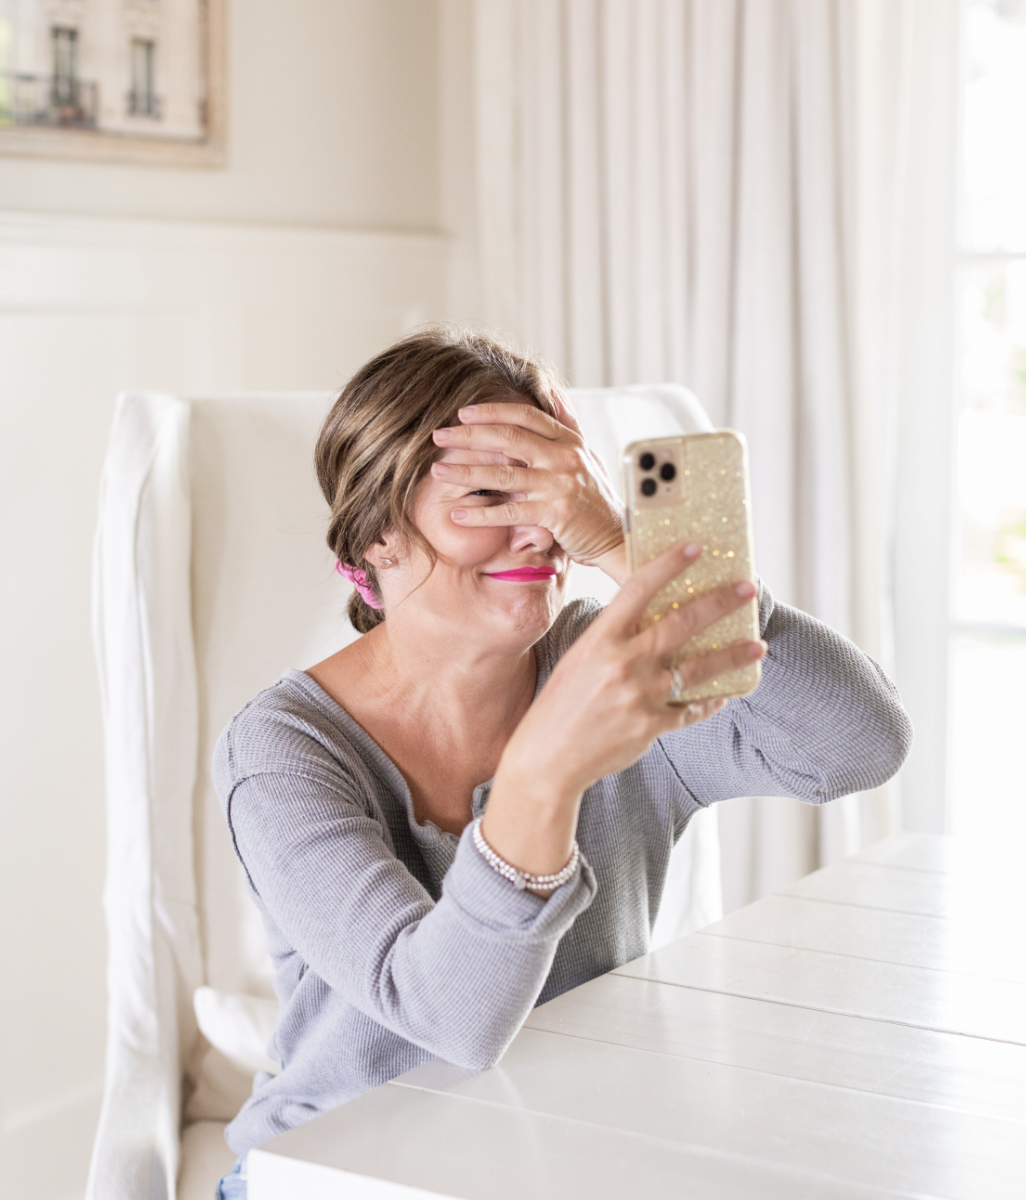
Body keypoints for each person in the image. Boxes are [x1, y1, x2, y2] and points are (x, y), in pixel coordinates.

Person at [213, 327, 911, 1198]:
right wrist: (546, 773)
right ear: (377, 537)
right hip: (334, 1172)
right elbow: (448, 1017)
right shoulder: (284, 748)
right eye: (488, 496)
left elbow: (856, 747)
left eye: (552, 492)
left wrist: (630, 550)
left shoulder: (609, 663)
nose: (539, 533)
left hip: (567, 1156)